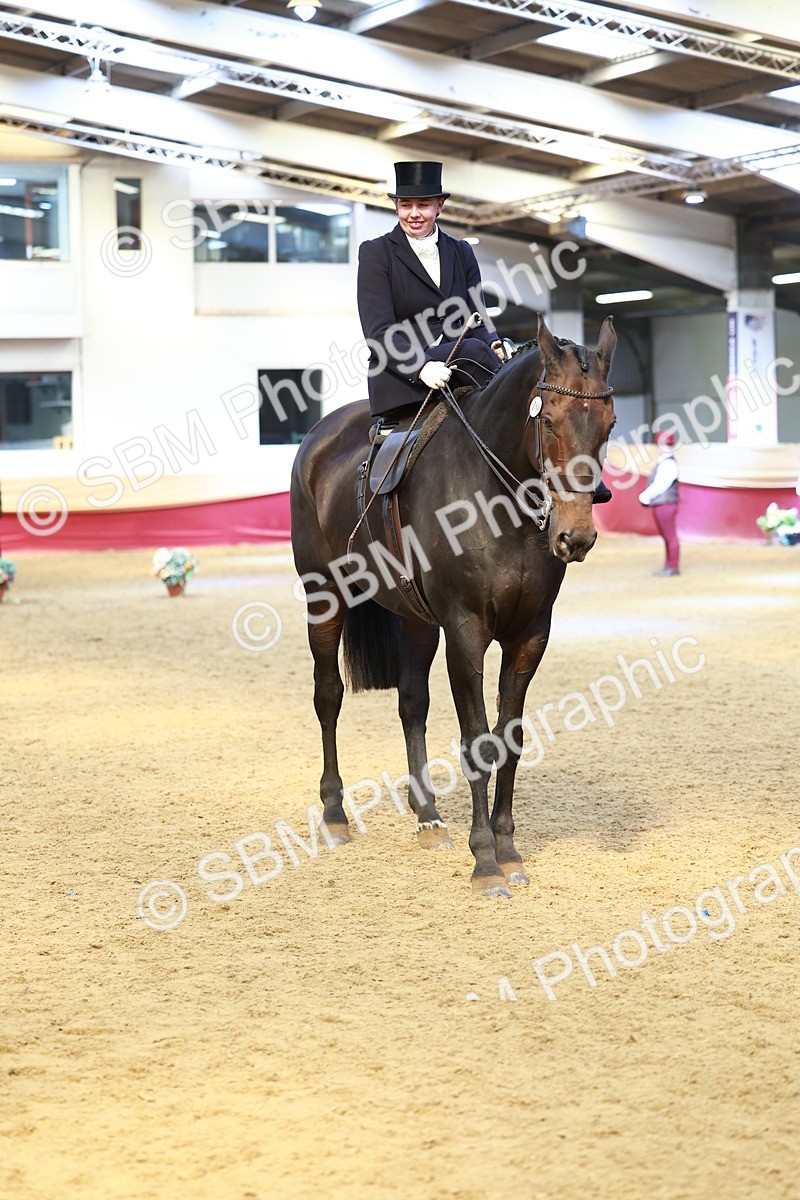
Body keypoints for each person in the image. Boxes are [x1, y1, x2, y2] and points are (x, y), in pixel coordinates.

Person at [356, 160, 505, 420]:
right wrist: (421, 367)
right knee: (472, 349)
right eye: (405, 205)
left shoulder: (462, 251)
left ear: (439, 206)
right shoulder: (376, 253)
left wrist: (494, 342)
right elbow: (378, 333)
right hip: (404, 375)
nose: (414, 213)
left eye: (423, 205)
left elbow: (476, 315)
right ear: (396, 206)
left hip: (460, 367)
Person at [639, 431, 680, 575]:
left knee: (670, 535)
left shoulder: (667, 463)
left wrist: (645, 496)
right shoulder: (665, 462)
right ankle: (670, 565)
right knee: (668, 535)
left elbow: (660, 485)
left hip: (665, 503)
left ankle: (672, 566)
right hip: (663, 503)